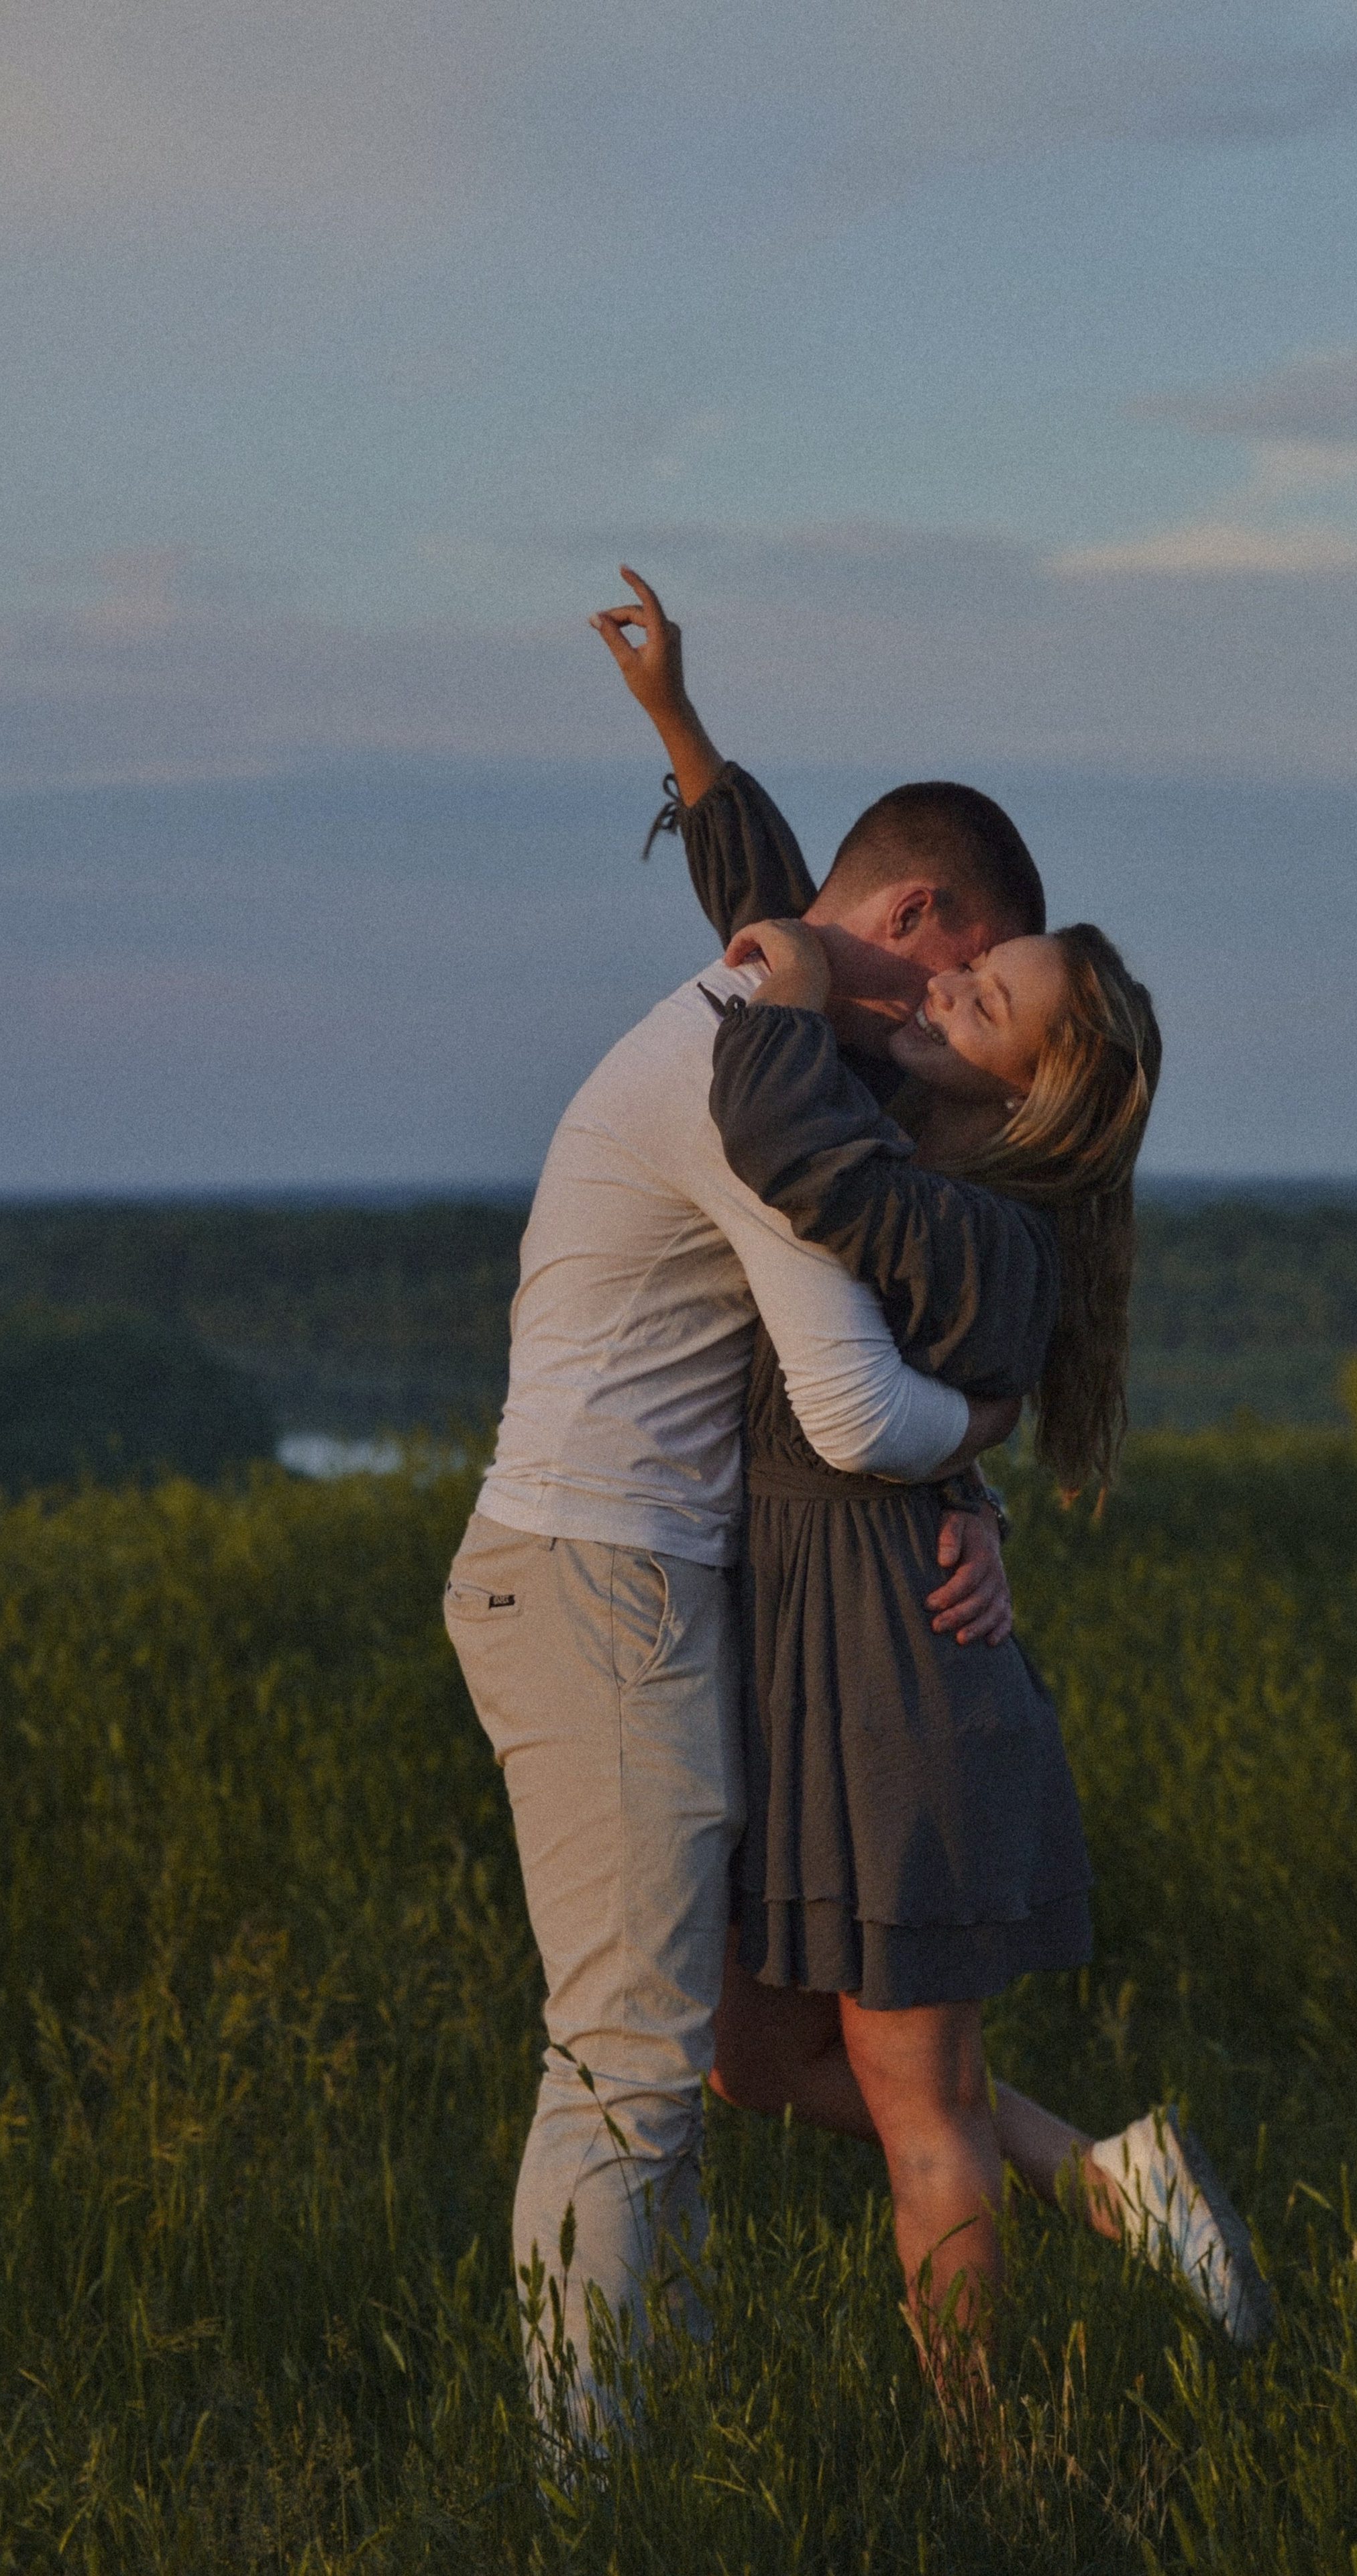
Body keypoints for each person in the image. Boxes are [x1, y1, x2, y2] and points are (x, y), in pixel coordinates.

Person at [592, 571, 1275, 2375]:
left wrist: (794, 986)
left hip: (901, 1695)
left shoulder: (979, 1237)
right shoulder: (911, 1135)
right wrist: (683, 732)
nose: (946, 983)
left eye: (981, 999)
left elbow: (783, 1109)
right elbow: (786, 923)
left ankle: (992, 2459)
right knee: (756, 2060)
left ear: (1026, 1097)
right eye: (966, 961)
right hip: (798, 1670)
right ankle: (1115, 2186)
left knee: (918, 2106)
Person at [443, 588, 1042, 2433]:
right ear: (915, 928)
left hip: (630, 1579)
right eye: (971, 972)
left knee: (676, 2062)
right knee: (627, 2069)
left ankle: (658, 2462)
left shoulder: (778, 1007)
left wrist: (685, 732)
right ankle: (583, 2497)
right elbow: (856, 1404)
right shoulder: (752, 1073)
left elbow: (768, 898)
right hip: (595, 1574)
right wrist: (988, 1425)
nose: (953, 1014)